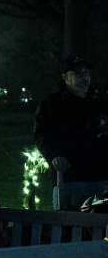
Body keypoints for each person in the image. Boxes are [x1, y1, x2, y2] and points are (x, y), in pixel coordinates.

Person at [34, 55, 108, 210]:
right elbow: (43, 135)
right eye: (78, 74)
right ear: (65, 77)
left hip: (100, 176)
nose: (84, 78)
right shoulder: (52, 104)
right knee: (68, 223)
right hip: (69, 178)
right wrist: (55, 155)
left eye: (86, 73)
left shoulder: (100, 103)